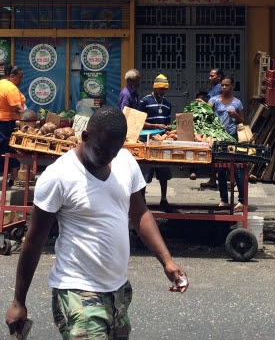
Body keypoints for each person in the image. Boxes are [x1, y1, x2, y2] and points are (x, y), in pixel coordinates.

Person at [4, 107, 188, 340]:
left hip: (118, 289)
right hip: (77, 290)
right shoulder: (59, 176)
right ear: (85, 137)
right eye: (102, 150)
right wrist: (19, 300)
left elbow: (140, 212)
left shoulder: (125, 161)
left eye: (115, 150)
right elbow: (34, 240)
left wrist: (167, 261)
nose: (108, 158)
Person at [209, 77, 245, 212]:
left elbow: (242, 120)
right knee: (221, 170)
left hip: (232, 138)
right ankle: (224, 200)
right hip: (218, 139)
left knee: (237, 169)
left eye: (227, 85)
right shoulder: (214, 100)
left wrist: (235, 115)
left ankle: (242, 201)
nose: (224, 87)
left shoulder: (237, 103)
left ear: (232, 86)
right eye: (222, 85)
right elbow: (207, 117)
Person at [138, 73, 172, 208]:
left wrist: (168, 128)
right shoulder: (145, 101)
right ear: (155, 88)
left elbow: (168, 123)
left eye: (164, 89)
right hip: (145, 141)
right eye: (160, 89)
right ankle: (142, 200)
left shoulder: (167, 104)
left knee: (164, 173)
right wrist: (155, 126)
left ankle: (164, 199)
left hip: (161, 143)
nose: (162, 92)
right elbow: (139, 122)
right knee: (144, 173)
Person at [0, 65, 25, 187]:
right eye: (20, 77)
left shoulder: (2, 84)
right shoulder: (11, 88)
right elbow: (18, 109)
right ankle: (14, 179)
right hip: (5, 123)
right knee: (11, 149)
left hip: (3, 122)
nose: (21, 80)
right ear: (12, 76)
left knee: (7, 149)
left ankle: (12, 178)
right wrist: (31, 121)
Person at [200, 68, 224, 188]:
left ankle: (231, 178)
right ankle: (213, 179)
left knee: (220, 154)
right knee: (215, 154)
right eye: (209, 76)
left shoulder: (219, 88)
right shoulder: (216, 88)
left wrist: (201, 103)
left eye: (212, 76)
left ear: (219, 77)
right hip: (214, 124)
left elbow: (212, 105)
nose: (210, 78)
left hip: (218, 124)